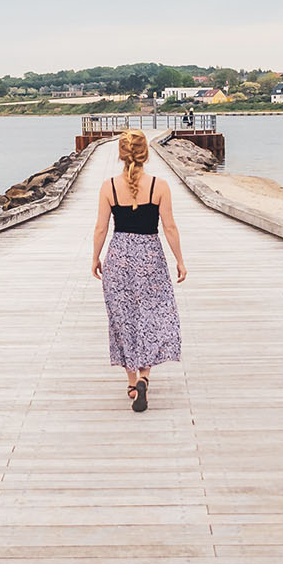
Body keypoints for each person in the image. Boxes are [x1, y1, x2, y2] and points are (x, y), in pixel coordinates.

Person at [91, 129, 186, 412]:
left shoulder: (108, 187)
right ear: (146, 153)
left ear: (121, 154)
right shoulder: (160, 186)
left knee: (123, 318)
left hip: (119, 256)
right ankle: (144, 375)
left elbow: (101, 228)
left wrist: (95, 257)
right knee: (150, 316)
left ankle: (132, 382)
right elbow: (169, 227)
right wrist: (180, 260)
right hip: (150, 257)